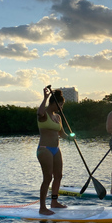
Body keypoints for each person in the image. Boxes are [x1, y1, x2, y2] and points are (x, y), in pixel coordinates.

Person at [36, 86, 72, 215]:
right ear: (53, 103)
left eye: (62, 106)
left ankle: (54, 202)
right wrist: (45, 98)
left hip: (56, 149)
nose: (61, 108)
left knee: (58, 175)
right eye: (60, 105)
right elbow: (39, 112)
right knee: (47, 178)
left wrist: (70, 138)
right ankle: (42, 207)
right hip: (44, 149)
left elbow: (62, 134)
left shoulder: (58, 117)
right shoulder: (44, 113)